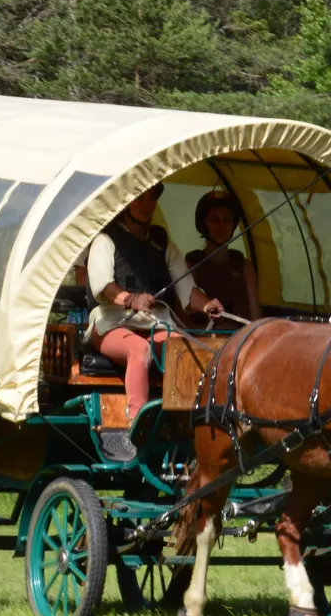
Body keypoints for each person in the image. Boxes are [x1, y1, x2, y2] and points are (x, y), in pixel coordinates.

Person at [79, 182, 224, 432]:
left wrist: (206, 305)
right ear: (127, 201)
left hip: (154, 324)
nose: (147, 205)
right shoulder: (105, 240)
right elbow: (103, 287)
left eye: (151, 199)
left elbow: (188, 292)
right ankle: (137, 425)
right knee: (140, 350)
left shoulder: (163, 244)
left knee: (185, 351)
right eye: (140, 198)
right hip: (110, 324)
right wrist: (131, 300)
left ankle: (189, 426)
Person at [185, 190, 262, 325]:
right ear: (204, 224)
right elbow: (182, 321)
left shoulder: (245, 267)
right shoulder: (191, 265)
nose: (221, 226)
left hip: (241, 342)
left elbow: (256, 320)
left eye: (227, 219)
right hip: (200, 343)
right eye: (214, 219)